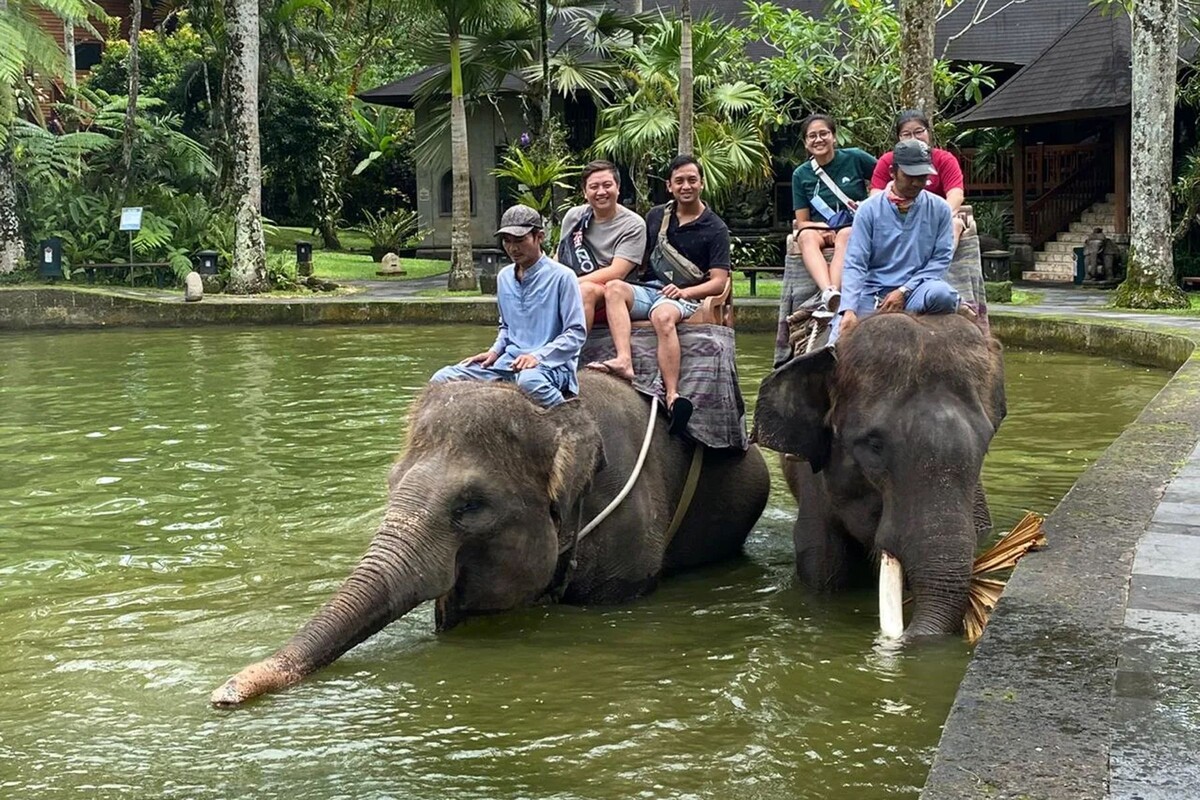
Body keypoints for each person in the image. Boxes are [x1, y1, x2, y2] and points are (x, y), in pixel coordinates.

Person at [588, 155, 731, 433]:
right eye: (679, 181)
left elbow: (718, 282)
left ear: (701, 183)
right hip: (649, 290)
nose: (686, 186)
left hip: (686, 297)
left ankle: (672, 394)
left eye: (692, 180)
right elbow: (637, 259)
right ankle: (624, 361)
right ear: (669, 186)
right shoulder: (656, 216)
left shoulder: (716, 228)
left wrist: (685, 292)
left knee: (663, 315)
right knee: (614, 288)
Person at [430, 205, 586, 407]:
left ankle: (571, 419)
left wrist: (537, 357)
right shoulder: (504, 277)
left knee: (529, 381)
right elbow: (506, 327)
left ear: (539, 237)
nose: (513, 248)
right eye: (507, 241)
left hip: (551, 366)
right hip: (508, 362)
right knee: (442, 378)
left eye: (520, 240)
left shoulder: (563, 277)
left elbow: (576, 333)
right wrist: (494, 352)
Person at [833, 139, 965, 343]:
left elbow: (940, 260)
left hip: (917, 291)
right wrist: (849, 309)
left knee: (944, 294)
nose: (916, 183)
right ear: (893, 172)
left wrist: (904, 290)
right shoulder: (868, 209)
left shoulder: (940, 209)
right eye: (910, 176)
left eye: (922, 177)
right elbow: (855, 263)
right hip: (874, 292)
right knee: (838, 341)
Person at [791, 114, 877, 312]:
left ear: (834, 137)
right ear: (805, 143)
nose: (818, 139)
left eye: (824, 133)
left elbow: (885, 175)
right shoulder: (801, 175)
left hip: (851, 226)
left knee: (846, 235)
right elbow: (802, 221)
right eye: (812, 136)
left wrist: (873, 197)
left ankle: (834, 291)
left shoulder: (855, 157)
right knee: (805, 237)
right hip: (819, 229)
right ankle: (828, 292)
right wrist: (824, 227)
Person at [557, 161, 647, 330]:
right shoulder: (574, 216)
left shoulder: (633, 224)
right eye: (593, 187)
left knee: (586, 291)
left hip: (610, 293)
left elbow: (617, 272)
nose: (601, 192)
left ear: (618, 188)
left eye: (607, 185)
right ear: (585, 192)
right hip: (574, 284)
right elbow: (560, 256)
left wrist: (571, 283)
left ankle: (571, 353)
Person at [870, 109, 968, 247]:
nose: (914, 138)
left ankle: (936, 266)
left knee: (954, 225)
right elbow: (875, 195)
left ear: (928, 132)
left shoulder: (944, 159)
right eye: (906, 134)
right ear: (899, 138)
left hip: (934, 218)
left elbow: (956, 194)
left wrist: (939, 217)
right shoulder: (888, 161)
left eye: (919, 132)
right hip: (897, 218)